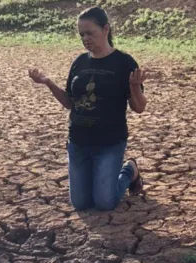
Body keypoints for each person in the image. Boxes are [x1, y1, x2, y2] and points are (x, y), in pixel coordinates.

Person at [29, 6, 147, 211]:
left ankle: (129, 170)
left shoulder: (123, 62)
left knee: (104, 202)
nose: (85, 39)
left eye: (90, 33)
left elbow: (139, 107)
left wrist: (135, 87)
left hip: (109, 143)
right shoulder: (79, 63)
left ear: (105, 29)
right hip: (79, 142)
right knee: (81, 203)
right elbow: (69, 102)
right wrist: (48, 82)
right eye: (81, 34)